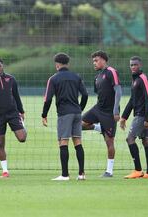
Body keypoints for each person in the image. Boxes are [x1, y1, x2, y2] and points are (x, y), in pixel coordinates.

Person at [42, 53, 88, 181]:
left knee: (63, 142)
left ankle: (65, 175)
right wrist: (80, 108)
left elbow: (48, 99)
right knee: (77, 142)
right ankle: (81, 174)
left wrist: (44, 114)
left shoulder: (53, 79)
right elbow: (85, 95)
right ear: (68, 64)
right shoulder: (76, 77)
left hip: (64, 114)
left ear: (57, 64)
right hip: (77, 113)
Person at [82, 50, 122, 178]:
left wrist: (116, 110)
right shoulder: (97, 77)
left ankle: (109, 171)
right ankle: (97, 127)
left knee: (109, 142)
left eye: (96, 60)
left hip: (109, 113)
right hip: (98, 109)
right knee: (77, 125)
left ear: (104, 60)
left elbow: (118, 91)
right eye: (93, 61)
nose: (94, 63)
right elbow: (100, 94)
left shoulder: (111, 72)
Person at [120, 56, 148, 179]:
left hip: (143, 114)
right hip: (143, 114)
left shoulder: (143, 78)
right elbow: (132, 100)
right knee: (146, 141)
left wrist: (146, 118)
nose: (133, 67)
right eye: (131, 65)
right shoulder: (135, 80)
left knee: (130, 139)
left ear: (140, 65)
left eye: (135, 64)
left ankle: (138, 170)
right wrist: (124, 117)